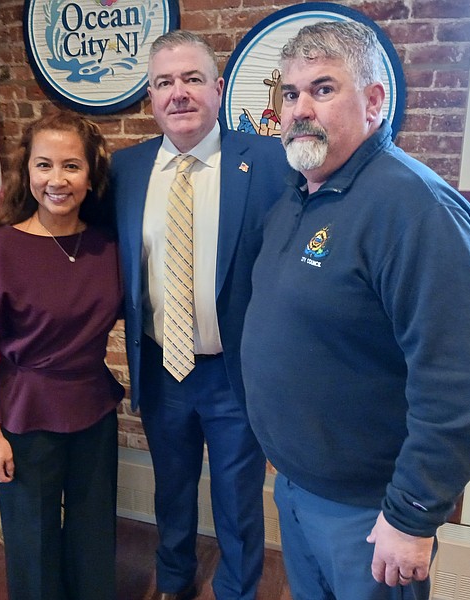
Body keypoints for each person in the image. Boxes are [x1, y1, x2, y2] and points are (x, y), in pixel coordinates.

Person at [241, 21, 470, 600]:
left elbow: (457, 381)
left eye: (324, 89)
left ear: (375, 102)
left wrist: (411, 515)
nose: (300, 108)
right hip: (297, 486)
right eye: (290, 93)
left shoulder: (415, 209)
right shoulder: (298, 193)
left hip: (368, 510)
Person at [109, 30, 291, 600]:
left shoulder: (267, 160)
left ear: (217, 88)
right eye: (164, 82)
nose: (178, 93)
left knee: (238, 497)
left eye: (191, 79)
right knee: (172, 489)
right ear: (150, 96)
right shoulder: (126, 170)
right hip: (163, 367)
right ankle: (175, 582)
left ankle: (238, 590)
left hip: (233, 372)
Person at [0, 109, 123, 600]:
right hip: (25, 417)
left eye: (71, 166)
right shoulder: (1, 251)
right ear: (26, 172)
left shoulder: (107, 245)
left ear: (90, 175)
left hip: (93, 409)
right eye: (44, 165)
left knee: (95, 536)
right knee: (33, 544)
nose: (57, 179)